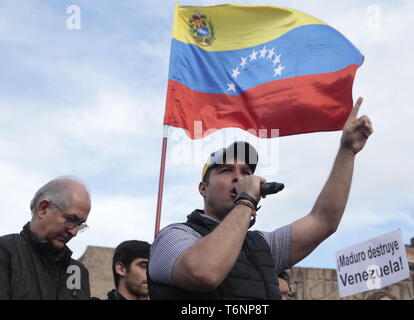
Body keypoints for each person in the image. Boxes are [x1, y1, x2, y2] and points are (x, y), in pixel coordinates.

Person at [148, 97, 373, 299]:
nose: (239, 178)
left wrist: (347, 152)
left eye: (246, 172)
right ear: (203, 188)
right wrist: (246, 200)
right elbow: (203, 272)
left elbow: (323, 220)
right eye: (227, 171)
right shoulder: (173, 237)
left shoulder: (262, 246)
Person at [0, 176, 92, 300]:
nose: (74, 232)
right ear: (43, 208)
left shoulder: (77, 272)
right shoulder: (5, 252)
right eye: (71, 220)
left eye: (79, 224)